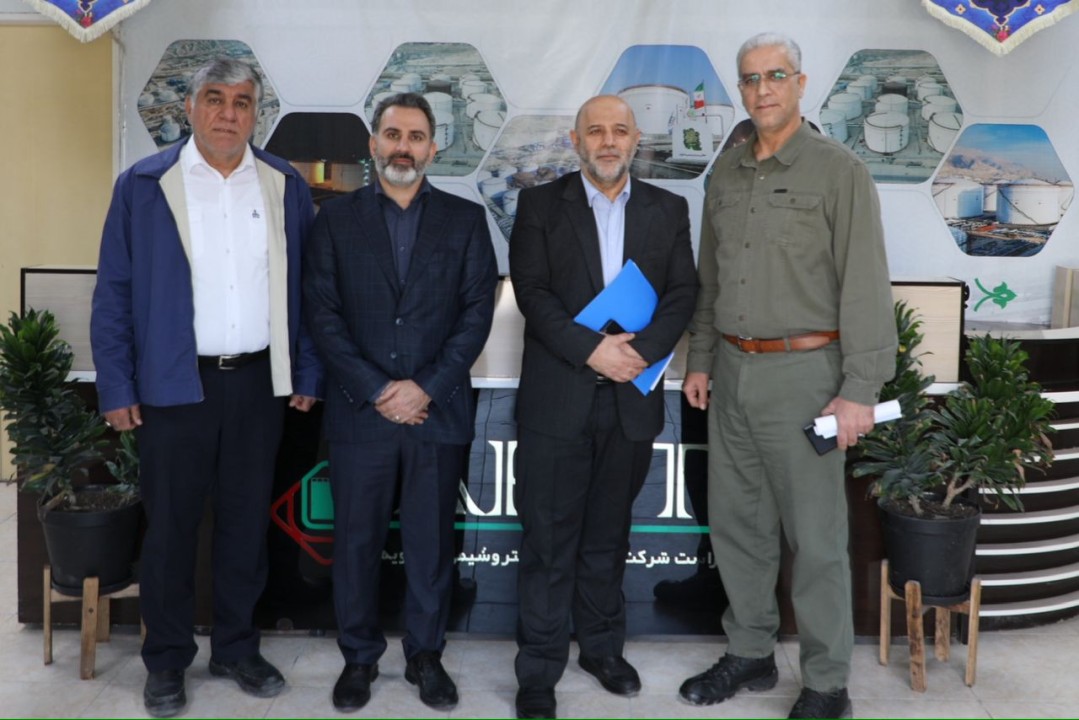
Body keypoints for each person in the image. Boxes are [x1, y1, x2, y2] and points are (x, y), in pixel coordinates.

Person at [90, 57, 322, 718]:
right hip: (173, 388)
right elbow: (114, 292)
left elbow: (309, 287)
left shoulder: (282, 184)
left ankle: (236, 647)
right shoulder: (144, 184)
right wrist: (117, 385)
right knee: (170, 530)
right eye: (215, 99)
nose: (227, 113)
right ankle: (166, 660)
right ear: (190, 108)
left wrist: (306, 370)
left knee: (246, 527)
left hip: (257, 385)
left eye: (241, 102)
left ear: (257, 114)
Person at [678, 33, 897, 719]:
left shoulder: (839, 172)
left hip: (806, 378)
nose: (762, 88)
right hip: (732, 373)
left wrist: (859, 390)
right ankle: (749, 652)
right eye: (750, 79)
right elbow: (711, 280)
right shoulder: (726, 174)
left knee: (816, 540)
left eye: (776, 75)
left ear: (800, 84)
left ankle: (827, 684)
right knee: (737, 527)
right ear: (740, 90)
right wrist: (702, 358)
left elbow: (865, 285)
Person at [302, 92, 498, 714]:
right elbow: (322, 314)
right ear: (373, 144)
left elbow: (476, 314)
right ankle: (359, 658)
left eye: (415, 137)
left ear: (433, 148)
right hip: (361, 412)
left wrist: (425, 387)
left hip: (435, 413)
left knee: (431, 545)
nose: (403, 147)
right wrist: (379, 390)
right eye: (393, 135)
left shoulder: (465, 221)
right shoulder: (335, 220)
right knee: (356, 543)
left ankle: (425, 656)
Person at [509, 95, 698, 719]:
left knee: (607, 538)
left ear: (636, 139)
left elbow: (682, 293)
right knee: (547, 542)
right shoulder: (540, 205)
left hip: (629, 400)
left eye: (620, 130)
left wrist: (635, 354)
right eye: (596, 131)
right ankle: (538, 669)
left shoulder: (668, 209)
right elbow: (533, 294)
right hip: (557, 398)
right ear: (576, 140)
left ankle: (601, 650)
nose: (609, 141)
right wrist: (594, 351)